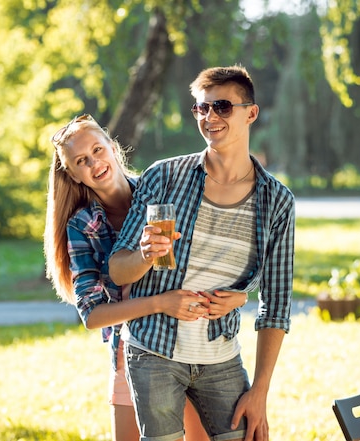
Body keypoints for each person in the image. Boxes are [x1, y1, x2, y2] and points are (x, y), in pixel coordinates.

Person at [108, 65, 295, 441]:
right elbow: (117, 270)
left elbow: (276, 304)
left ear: (251, 113)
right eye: (201, 108)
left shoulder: (276, 201)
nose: (209, 117)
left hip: (221, 357)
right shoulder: (164, 177)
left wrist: (259, 392)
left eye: (222, 107)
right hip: (153, 351)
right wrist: (144, 255)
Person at [43, 114, 247, 441]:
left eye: (98, 150)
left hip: (192, 344)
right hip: (132, 352)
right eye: (82, 161)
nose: (94, 163)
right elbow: (93, 315)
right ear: (73, 174)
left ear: (112, 147)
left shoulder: (163, 193)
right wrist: (159, 303)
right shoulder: (83, 226)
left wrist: (239, 293)